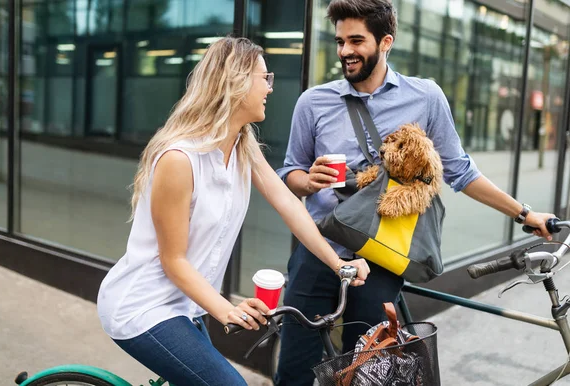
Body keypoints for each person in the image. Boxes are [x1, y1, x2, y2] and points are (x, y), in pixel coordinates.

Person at [274, 1, 557, 385]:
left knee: (369, 373)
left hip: (383, 255)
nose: (344, 51)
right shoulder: (314, 102)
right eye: (340, 41)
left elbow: (460, 171)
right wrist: (305, 182)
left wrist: (524, 214)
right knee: (294, 368)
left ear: (385, 41)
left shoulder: (425, 97)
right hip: (318, 249)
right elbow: (289, 171)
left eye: (356, 40)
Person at [95, 36, 369, 386]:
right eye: (264, 79)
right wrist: (227, 309)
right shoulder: (180, 160)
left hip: (189, 306)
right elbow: (173, 260)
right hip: (143, 308)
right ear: (236, 83)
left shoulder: (242, 144)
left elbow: (288, 204)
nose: (270, 88)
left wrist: (338, 263)